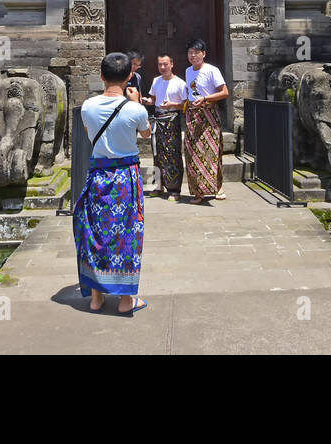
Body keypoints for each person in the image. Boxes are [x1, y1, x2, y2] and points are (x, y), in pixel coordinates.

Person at [73, 51, 152, 314]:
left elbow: (88, 132)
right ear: (130, 75)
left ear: (101, 76)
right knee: (127, 234)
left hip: (98, 175)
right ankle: (126, 300)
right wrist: (136, 100)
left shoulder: (87, 106)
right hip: (126, 177)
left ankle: (96, 297)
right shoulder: (135, 109)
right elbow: (145, 133)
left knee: (96, 233)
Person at [183, 38, 229, 204]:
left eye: (196, 52)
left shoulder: (212, 70)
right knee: (192, 153)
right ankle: (198, 191)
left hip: (209, 114)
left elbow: (224, 92)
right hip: (192, 116)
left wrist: (206, 98)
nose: (193, 55)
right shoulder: (188, 71)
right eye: (190, 52)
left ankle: (218, 187)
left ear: (204, 54)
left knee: (212, 151)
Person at [146, 53, 188, 198]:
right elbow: (153, 99)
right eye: (160, 64)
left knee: (172, 155)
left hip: (172, 119)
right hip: (157, 119)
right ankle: (158, 186)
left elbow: (186, 105)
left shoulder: (180, 83)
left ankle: (174, 189)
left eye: (165, 64)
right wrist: (148, 101)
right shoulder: (156, 80)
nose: (163, 67)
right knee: (157, 153)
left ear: (172, 64)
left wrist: (173, 104)